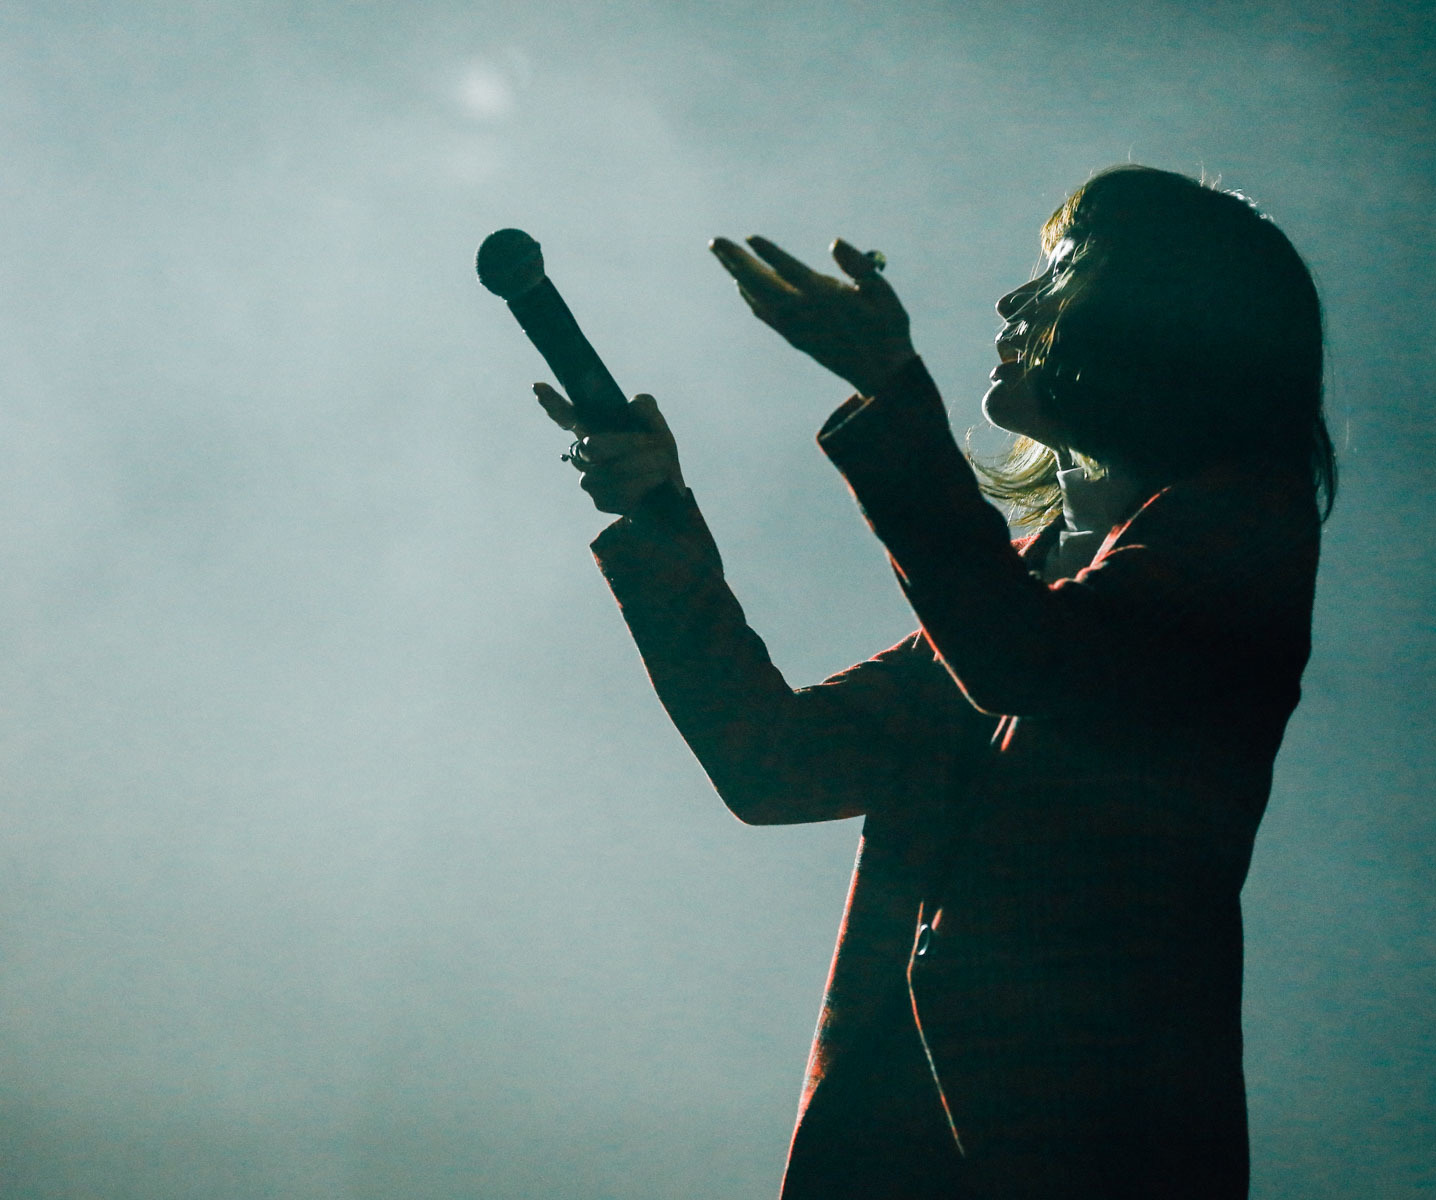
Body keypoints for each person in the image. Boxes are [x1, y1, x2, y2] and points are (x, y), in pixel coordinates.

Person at [532, 164, 1334, 1200]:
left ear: (1163, 316)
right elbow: (773, 763)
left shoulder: (1239, 537)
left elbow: (1020, 660)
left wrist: (887, 387)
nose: (1013, 302)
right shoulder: (1038, 582)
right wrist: (660, 517)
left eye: (1064, 269)